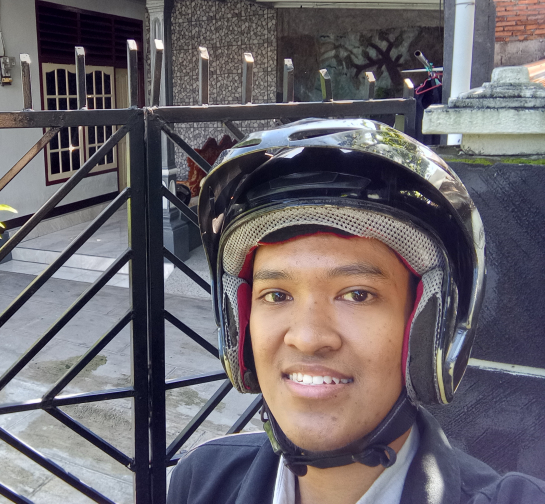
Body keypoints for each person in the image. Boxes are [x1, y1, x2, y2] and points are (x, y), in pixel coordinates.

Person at [167, 119, 545, 504]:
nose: (308, 338)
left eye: (357, 295)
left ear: (427, 327)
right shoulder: (201, 482)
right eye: (277, 295)